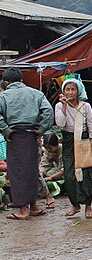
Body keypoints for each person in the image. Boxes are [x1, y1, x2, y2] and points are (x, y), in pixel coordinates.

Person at [0, 68, 55, 220]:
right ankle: (34, 207)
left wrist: (6, 130)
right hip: (32, 136)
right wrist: (41, 130)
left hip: (14, 136)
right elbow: (48, 112)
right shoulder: (36, 93)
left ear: (6, 83)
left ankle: (23, 210)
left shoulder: (3, 97)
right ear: (21, 80)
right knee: (31, 171)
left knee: (17, 172)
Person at [55, 76, 92, 219]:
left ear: (78, 91)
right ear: (63, 91)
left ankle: (88, 206)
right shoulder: (59, 106)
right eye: (67, 89)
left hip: (83, 141)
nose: (70, 92)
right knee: (70, 175)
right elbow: (60, 124)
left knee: (86, 174)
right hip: (69, 142)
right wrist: (64, 106)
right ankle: (75, 204)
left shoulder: (85, 106)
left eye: (73, 89)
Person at [39, 133, 64, 208]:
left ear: (56, 145)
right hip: (57, 171)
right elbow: (44, 164)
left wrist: (51, 177)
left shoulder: (63, 150)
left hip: (66, 173)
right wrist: (41, 174)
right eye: (46, 148)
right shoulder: (48, 151)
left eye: (50, 148)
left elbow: (64, 169)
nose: (48, 150)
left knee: (51, 174)